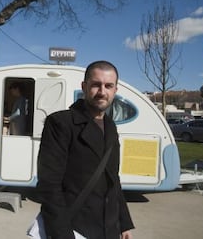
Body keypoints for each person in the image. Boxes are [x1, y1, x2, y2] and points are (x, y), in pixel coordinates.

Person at [36, 61, 134, 239]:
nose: (102, 92)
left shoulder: (111, 126)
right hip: (75, 228)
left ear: (115, 91)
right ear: (84, 86)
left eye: (108, 86)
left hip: (109, 228)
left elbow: (113, 179)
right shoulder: (60, 123)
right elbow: (49, 186)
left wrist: (123, 223)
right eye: (96, 85)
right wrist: (62, 235)